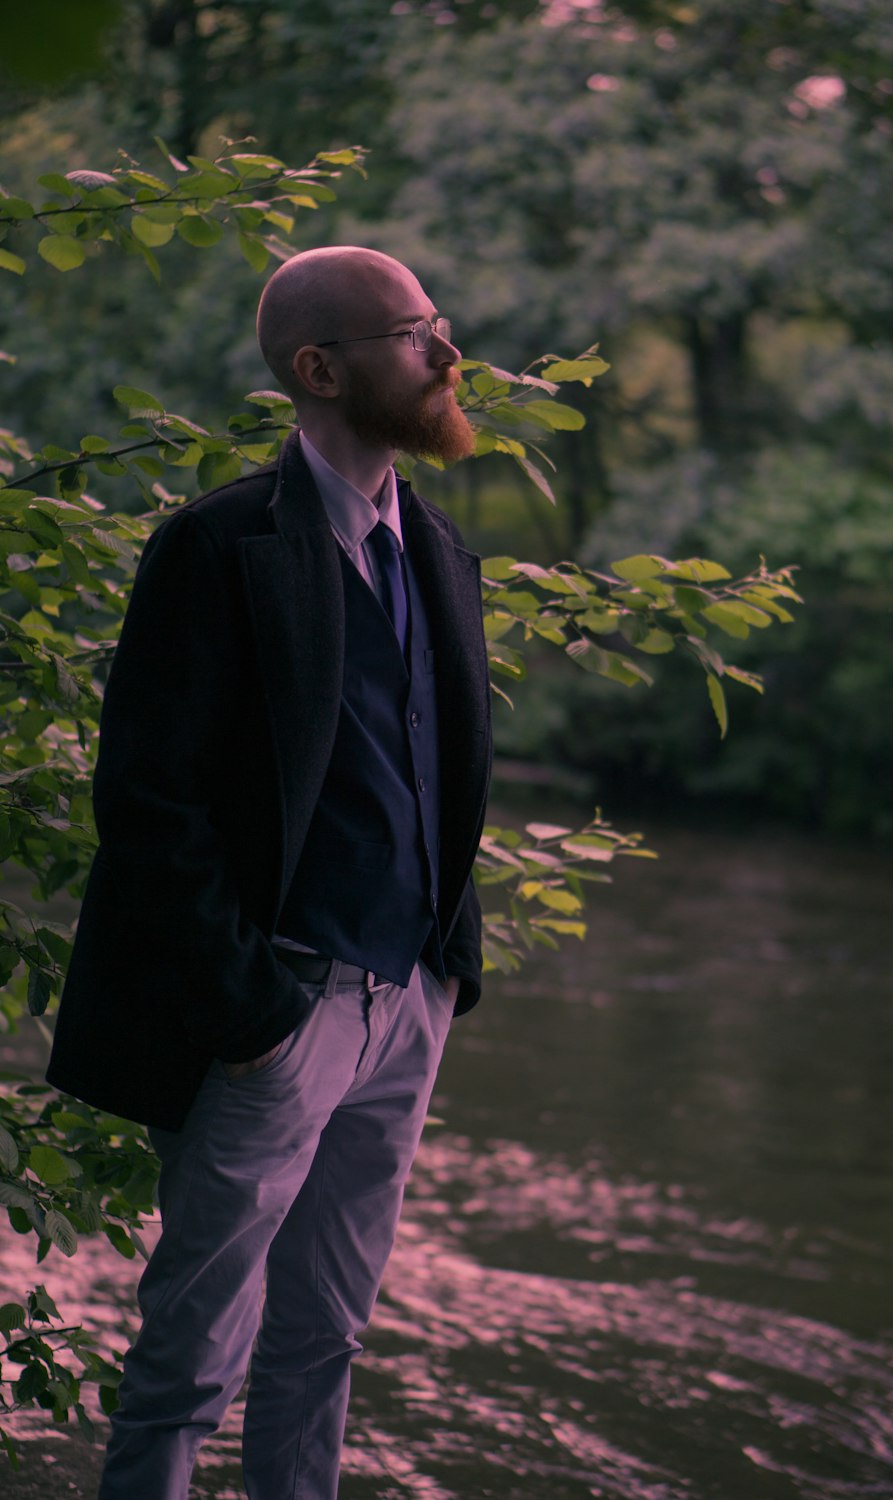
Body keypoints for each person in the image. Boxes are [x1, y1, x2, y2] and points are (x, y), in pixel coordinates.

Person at [46, 246, 493, 1500]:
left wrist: (445, 971)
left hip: (406, 1003)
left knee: (326, 1338)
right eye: (414, 334)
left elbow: (444, 770)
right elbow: (148, 807)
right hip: (275, 1012)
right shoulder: (215, 545)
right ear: (319, 369)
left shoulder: (440, 550)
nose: (445, 352)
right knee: (192, 1355)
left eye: (434, 323)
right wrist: (253, 1018)